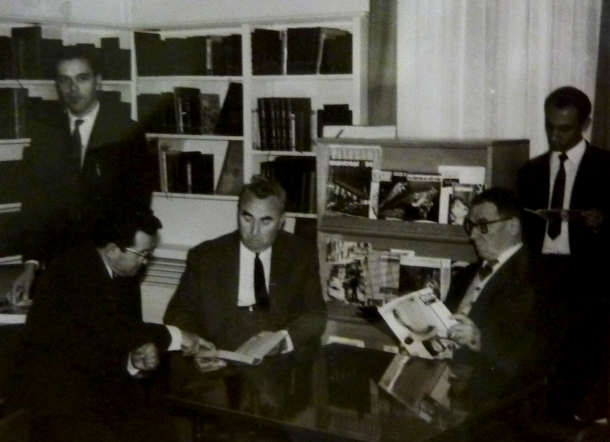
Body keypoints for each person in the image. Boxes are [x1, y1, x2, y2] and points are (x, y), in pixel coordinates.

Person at [17, 205, 212, 442]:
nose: (145, 261)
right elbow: (114, 328)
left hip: (96, 385)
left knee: (161, 424)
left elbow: (112, 337)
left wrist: (133, 360)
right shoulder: (74, 271)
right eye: (142, 253)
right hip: (60, 401)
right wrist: (177, 336)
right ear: (112, 250)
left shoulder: (123, 273)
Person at [10, 46, 153, 303]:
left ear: (99, 80)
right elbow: (33, 206)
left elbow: (137, 205)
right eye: (64, 80)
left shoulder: (127, 133)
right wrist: (30, 265)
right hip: (58, 270)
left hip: (110, 270)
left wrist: (116, 258)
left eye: (82, 78)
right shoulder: (45, 135)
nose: (73, 89)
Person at [164, 176, 327, 373]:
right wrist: (198, 347)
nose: (254, 232)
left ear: (281, 221)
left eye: (265, 221)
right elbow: (178, 313)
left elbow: (315, 315)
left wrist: (283, 341)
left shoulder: (302, 254)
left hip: (277, 358)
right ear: (238, 213)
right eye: (247, 218)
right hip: (219, 353)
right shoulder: (205, 255)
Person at [518, 86, 610, 421]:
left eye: (565, 129)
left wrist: (603, 224)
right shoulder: (530, 171)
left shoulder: (607, 168)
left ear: (584, 124)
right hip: (541, 276)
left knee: (581, 362)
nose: (555, 136)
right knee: (539, 360)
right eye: (549, 126)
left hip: (588, 281)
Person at [444, 188, 563, 407]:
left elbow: (536, 356)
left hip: (501, 399)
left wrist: (479, 340)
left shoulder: (539, 278)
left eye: (483, 226)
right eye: (470, 226)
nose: (472, 236)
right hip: (451, 388)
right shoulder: (465, 275)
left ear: (512, 226)